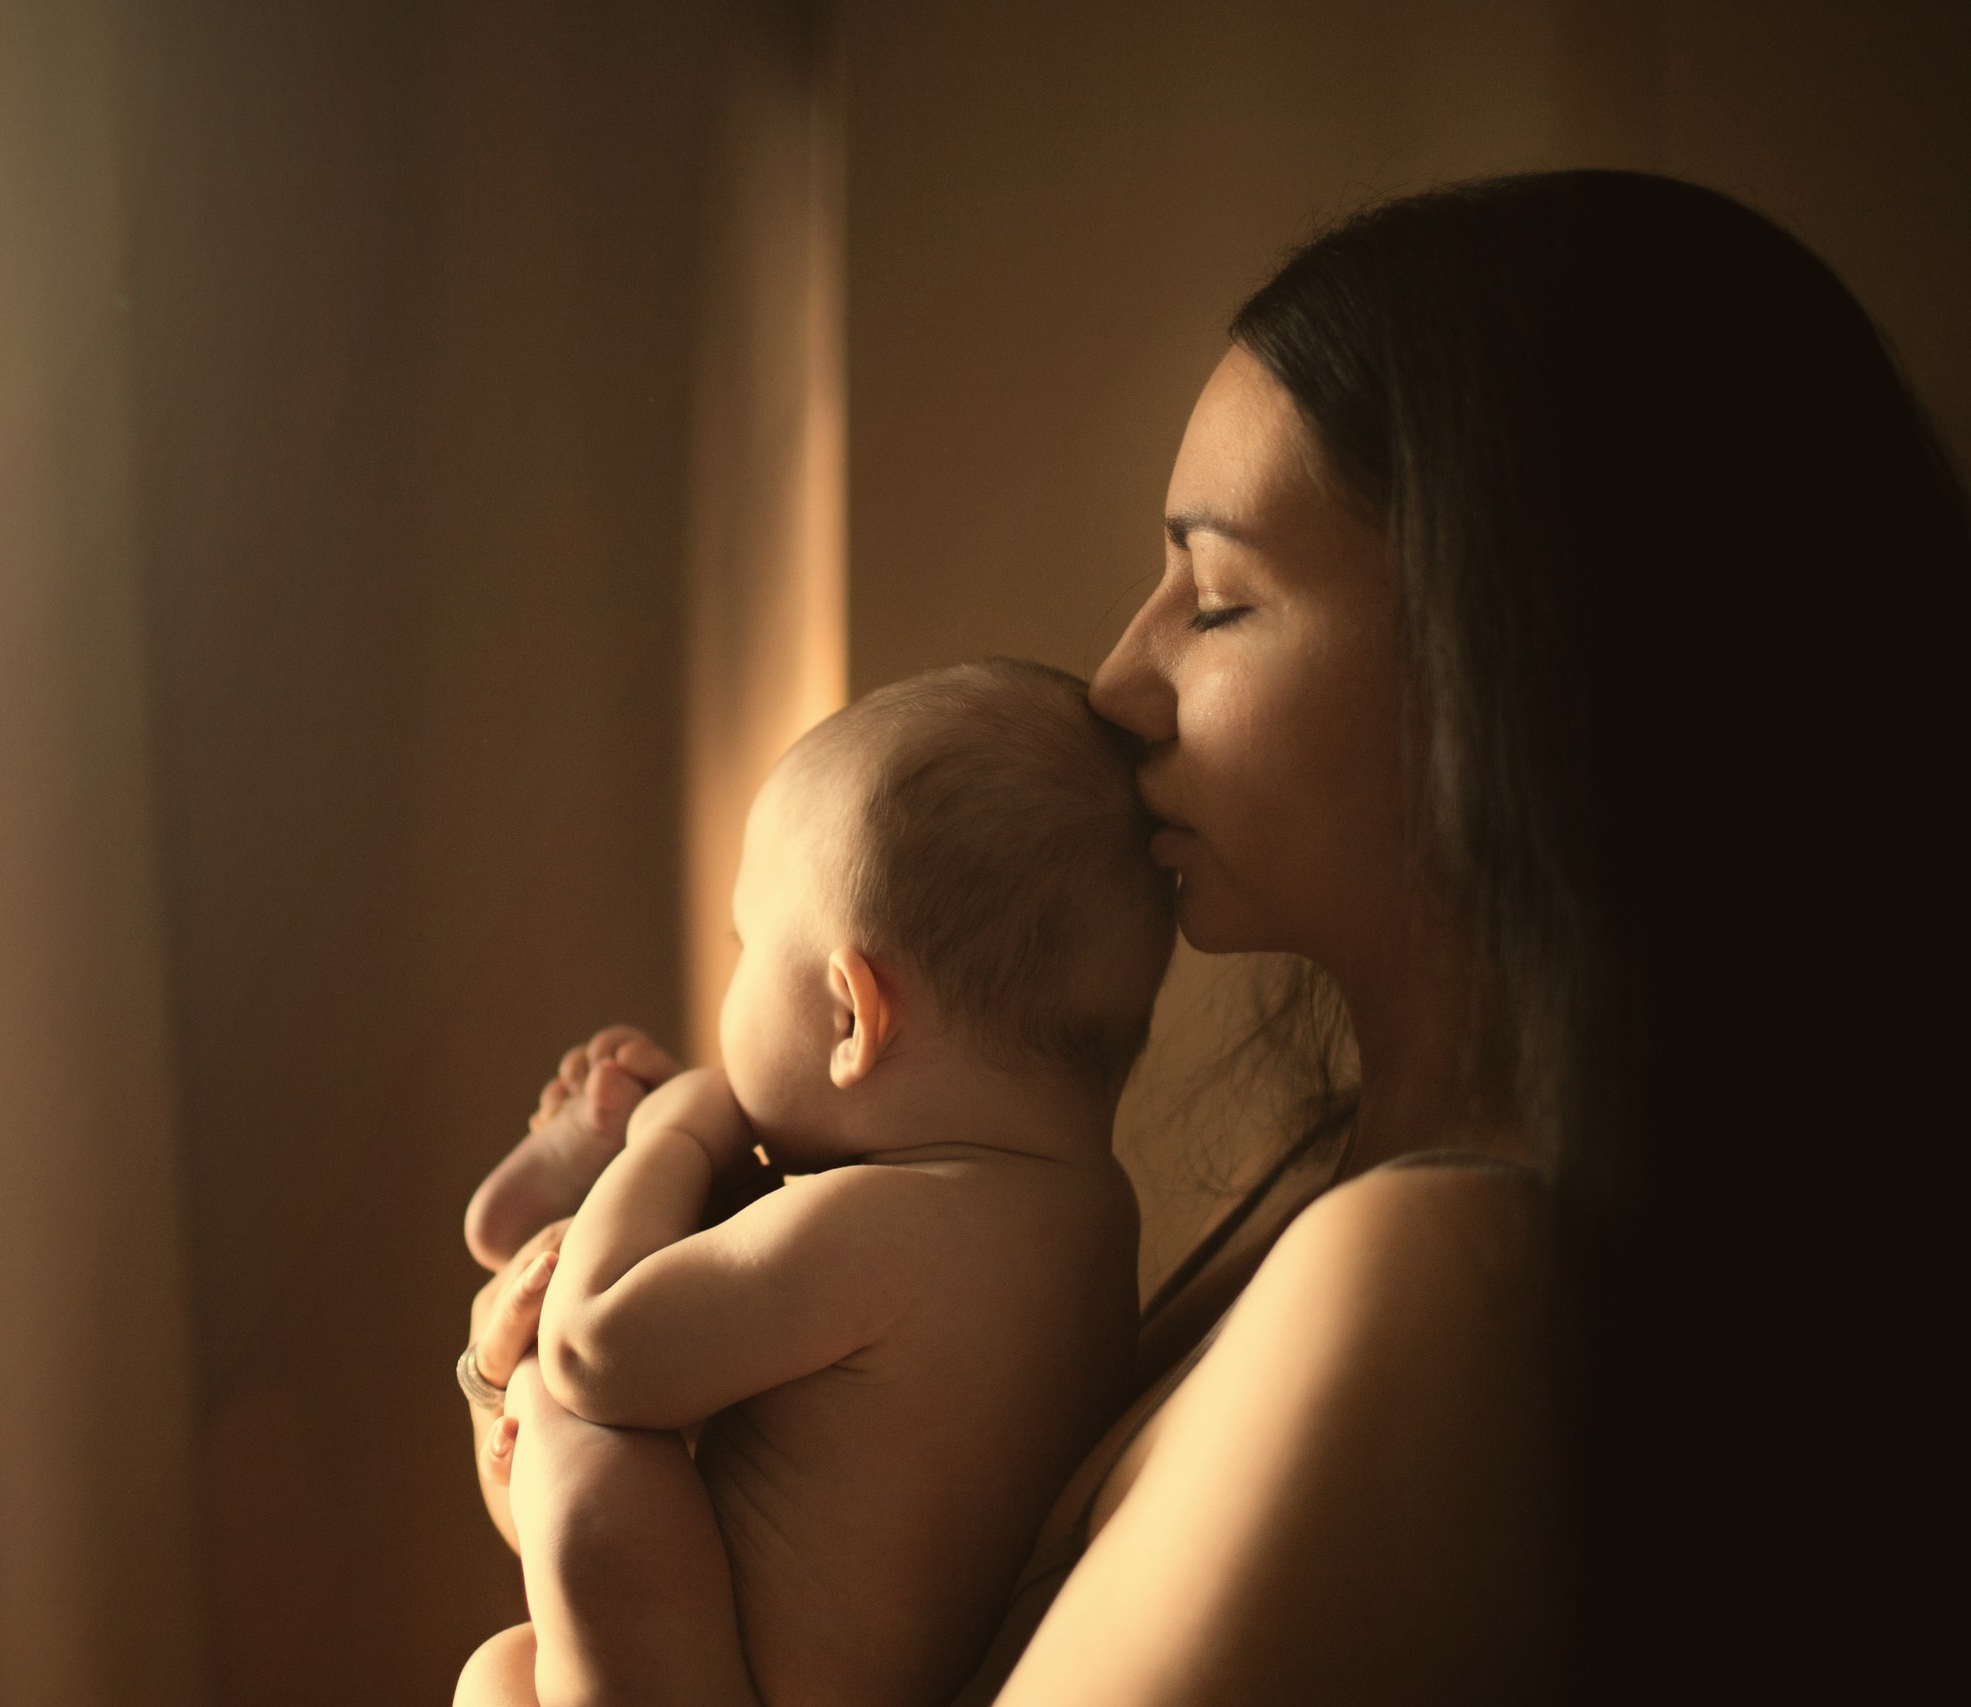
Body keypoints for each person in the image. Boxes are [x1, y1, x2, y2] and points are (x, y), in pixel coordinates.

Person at [459, 170, 1967, 1702]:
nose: (1120, 679)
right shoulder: (1329, 1202)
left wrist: (592, 1464)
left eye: (1220, 596)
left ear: (1505, 667)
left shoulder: (1424, 1272)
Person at [457, 660, 1176, 1707]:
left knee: (583, 1439)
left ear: (850, 1017)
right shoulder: (1090, 1217)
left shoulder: (886, 1225)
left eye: (747, 945)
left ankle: (559, 1223)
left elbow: (595, 1349)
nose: (733, 975)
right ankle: (550, 1230)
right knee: (500, 1674)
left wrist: (677, 1130)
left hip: (718, 1691)